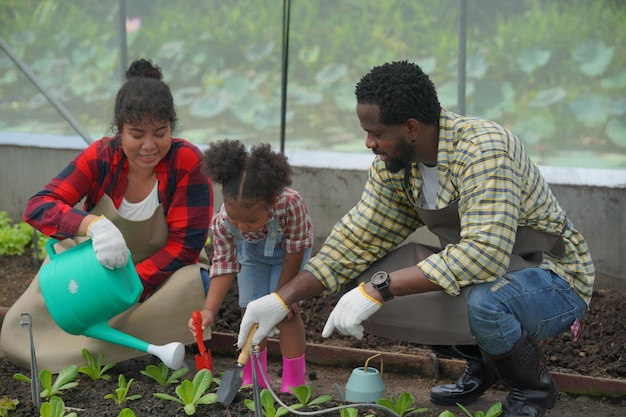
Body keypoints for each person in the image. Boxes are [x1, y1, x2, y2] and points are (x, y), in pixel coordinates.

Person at [235, 61, 595, 417]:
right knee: (362, 277)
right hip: (496, 275)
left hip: (552, 281)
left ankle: (534, 390)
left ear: (410, 127)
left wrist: (381, 289)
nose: (368, 143)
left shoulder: (484, 149)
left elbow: (485, 253)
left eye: (375, 132)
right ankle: (485, 364)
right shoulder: (397, 167)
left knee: (484, 302)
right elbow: (356, 240)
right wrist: (281, 300)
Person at [1, 58, 214, 372]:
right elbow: (39, 206)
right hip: (91, 267)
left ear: (172, 126)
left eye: (160, 132)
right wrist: (91, 225)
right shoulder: (101, 156)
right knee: (17, 339)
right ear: (119, 129)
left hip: (157, 278)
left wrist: (123, 287)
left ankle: (118, 344)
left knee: (195, 282)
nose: (149, 145)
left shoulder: (187, 161)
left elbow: (185, 246)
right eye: (136, 134)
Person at [190, 139, 313, 392]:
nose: (242, 226)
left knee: (286, 316)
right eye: (235, 219)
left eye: (251, 220)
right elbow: (224, 265)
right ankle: (253, 377)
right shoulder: (223, 223)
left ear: (270, 203)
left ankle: (294, 383)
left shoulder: (291, 205)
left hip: (290, 256)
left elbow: (296, 248)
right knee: (252, 314)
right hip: (252, 258)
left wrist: (283, 298)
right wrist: (209, 311)